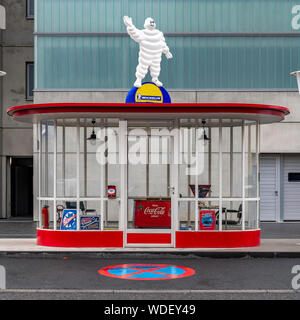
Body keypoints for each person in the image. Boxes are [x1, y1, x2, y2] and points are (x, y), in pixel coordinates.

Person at [123, 16, 173, 88]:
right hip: (146, 54)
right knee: (143, 66)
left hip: (156, 55)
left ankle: (155, 79)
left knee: (156, 67)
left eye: (152, 23)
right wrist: (130, 25)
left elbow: (162, 43)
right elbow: (134, 33)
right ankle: (138, 79)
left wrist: (167, 52)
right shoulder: (143, 33)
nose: (151, 24)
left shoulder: (159, 33)